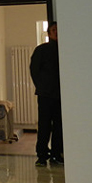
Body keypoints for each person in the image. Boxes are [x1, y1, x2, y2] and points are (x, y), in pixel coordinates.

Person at [30, 21, 63, 166]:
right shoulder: (41, 50)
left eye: (58, 30)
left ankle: (56, 154)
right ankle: (42, 156)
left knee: (59, 126)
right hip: (45, 95)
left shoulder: (65, 49)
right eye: (53, 30)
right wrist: (41, 86)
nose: (56, 32)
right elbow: (34, 70)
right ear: (49, 33)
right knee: (44, 125)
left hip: (61, 95)